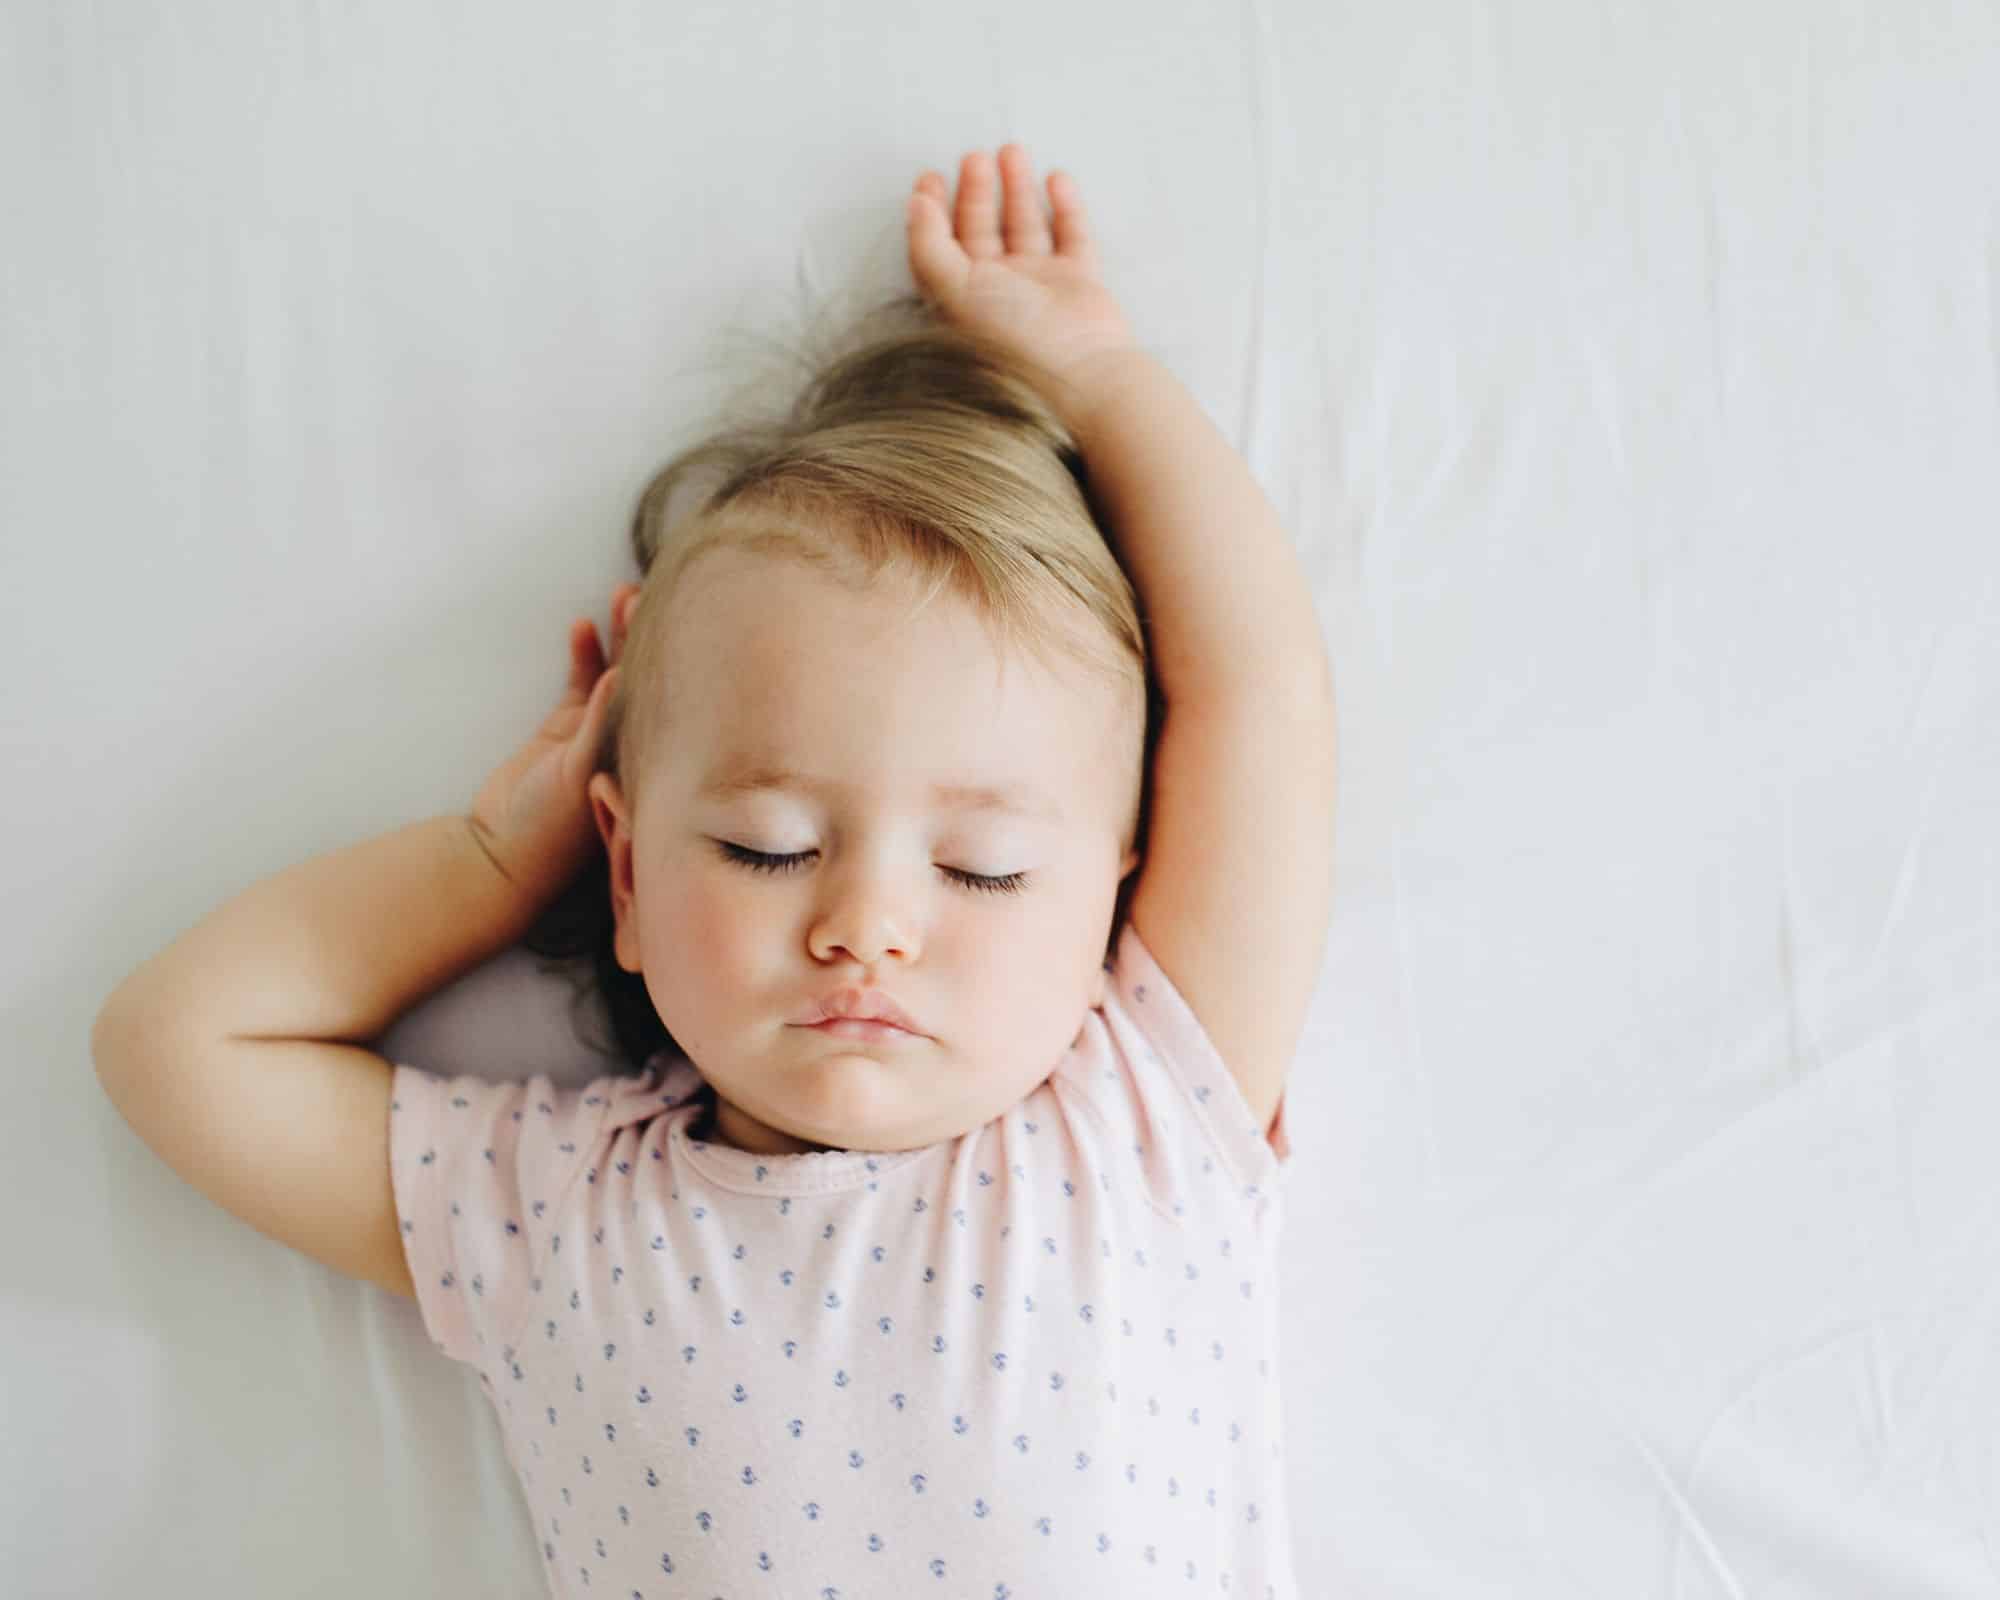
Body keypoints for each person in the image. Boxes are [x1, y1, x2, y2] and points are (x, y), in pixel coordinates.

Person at [91, 142, 1336, 1599]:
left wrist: (1100, 378)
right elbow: (174, 1046)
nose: (866, 925)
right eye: (770, 847)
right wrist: (493, 859)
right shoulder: (558, 1220)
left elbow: (1258, 696)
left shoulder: (1141, 1127)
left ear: (1114, 894)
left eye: (985, 868)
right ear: (624, 876)